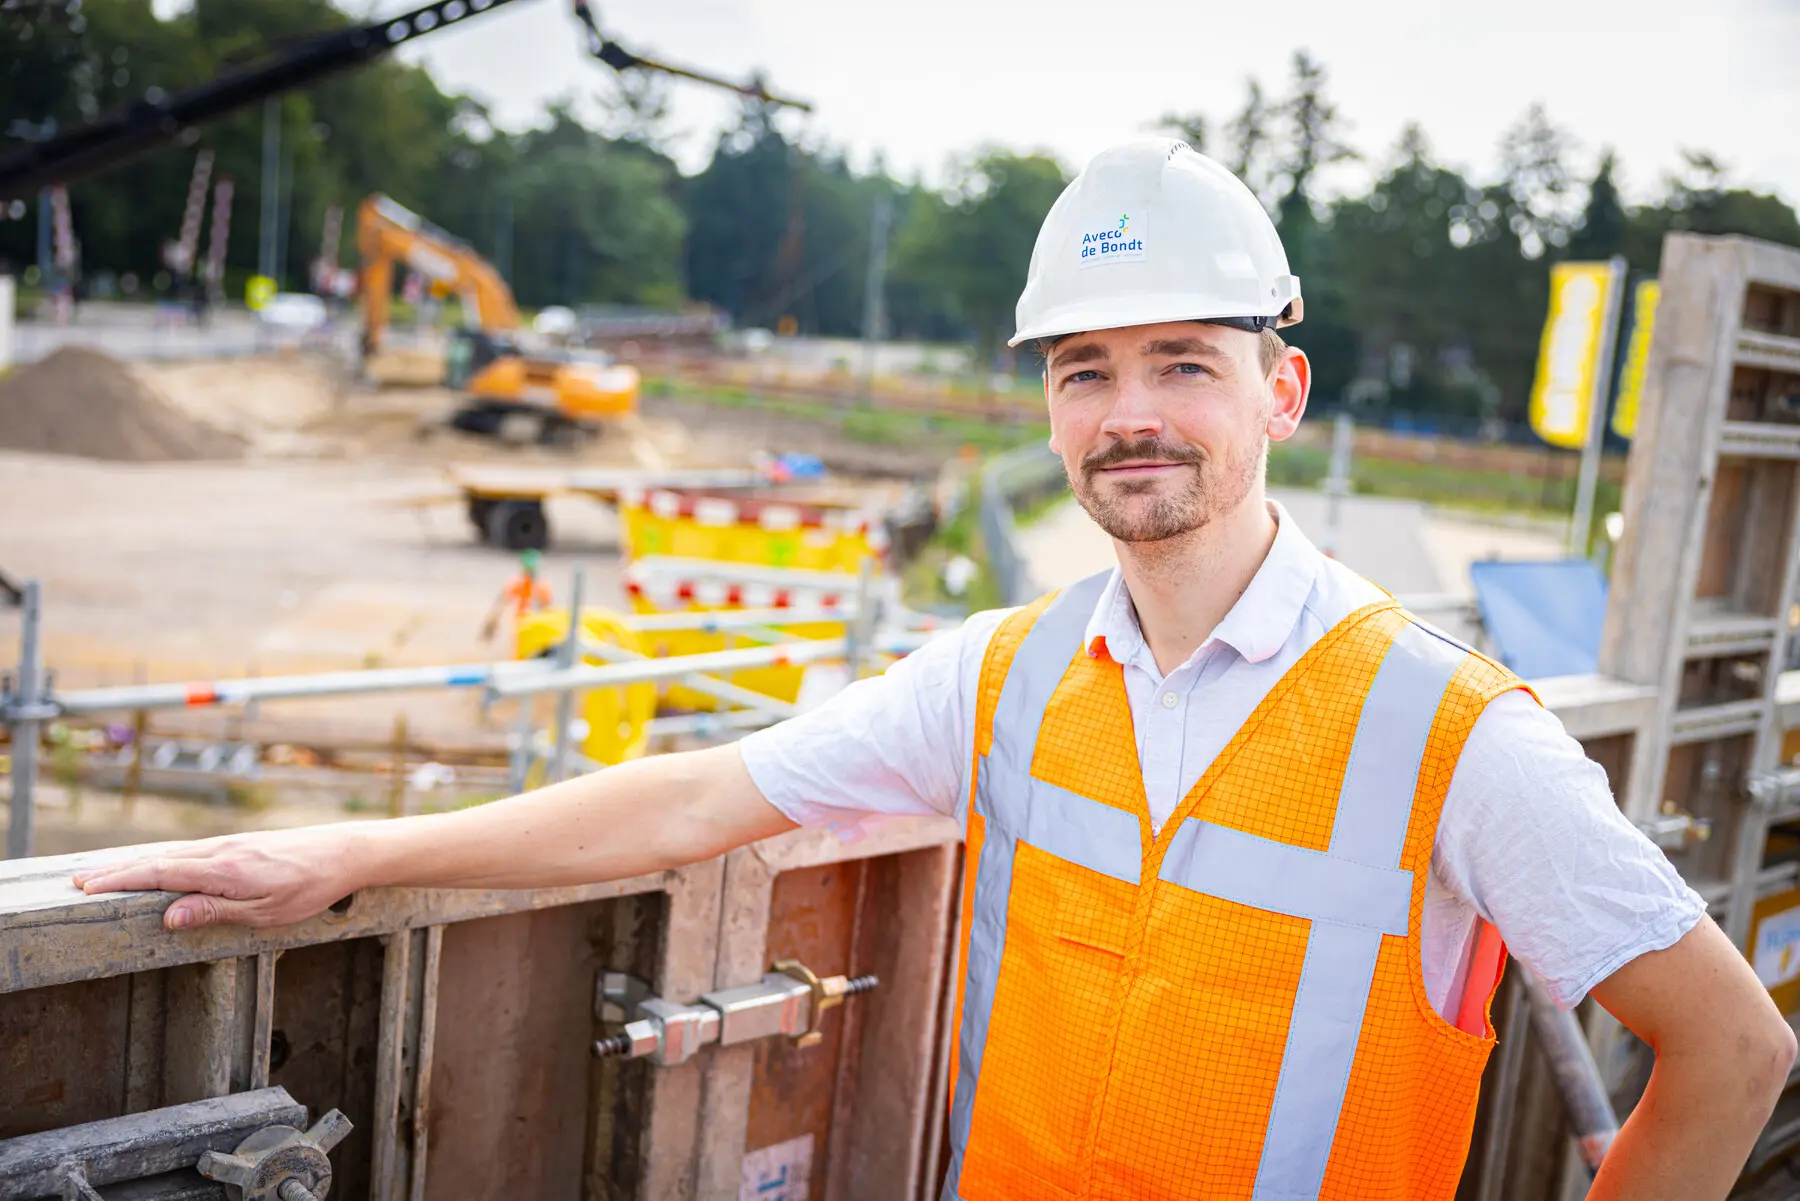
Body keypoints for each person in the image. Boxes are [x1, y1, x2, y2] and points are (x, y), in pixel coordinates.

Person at [75, 140, 1793, 1201]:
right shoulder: (1012, 673)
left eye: (1184, 363)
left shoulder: (1450, 731)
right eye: (1085, 368)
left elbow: (1729, 1053)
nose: (1127, 411)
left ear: (1281, 390)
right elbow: (698, 792)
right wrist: (353, 855)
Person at [479, 547, 553, 643]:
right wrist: (492, 621)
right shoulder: (519, 583)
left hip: (533, 624)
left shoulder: (540, 586)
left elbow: (547, 608)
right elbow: (501, 603)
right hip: (522, 624)